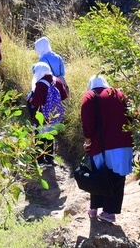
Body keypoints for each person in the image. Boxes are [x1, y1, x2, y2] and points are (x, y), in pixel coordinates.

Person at [81, 75, 134, 224]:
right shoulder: (119, 94)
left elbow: (87, 122)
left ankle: (95, 209)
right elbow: (134, 115)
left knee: (98, 175)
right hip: (124, 145)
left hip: (101, 146)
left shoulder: (90, 96)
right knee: (117, 178)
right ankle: (109, 212)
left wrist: (88, 141)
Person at [27, 61, 68, 164]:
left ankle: (40, 160)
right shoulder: (57, 80)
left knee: (39, 138)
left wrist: (30, 99)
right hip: (54, 115)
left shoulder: (41, 84)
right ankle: (50, 159)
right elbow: (64, 96)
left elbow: (37, 102)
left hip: (41, 116)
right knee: (50, 137)